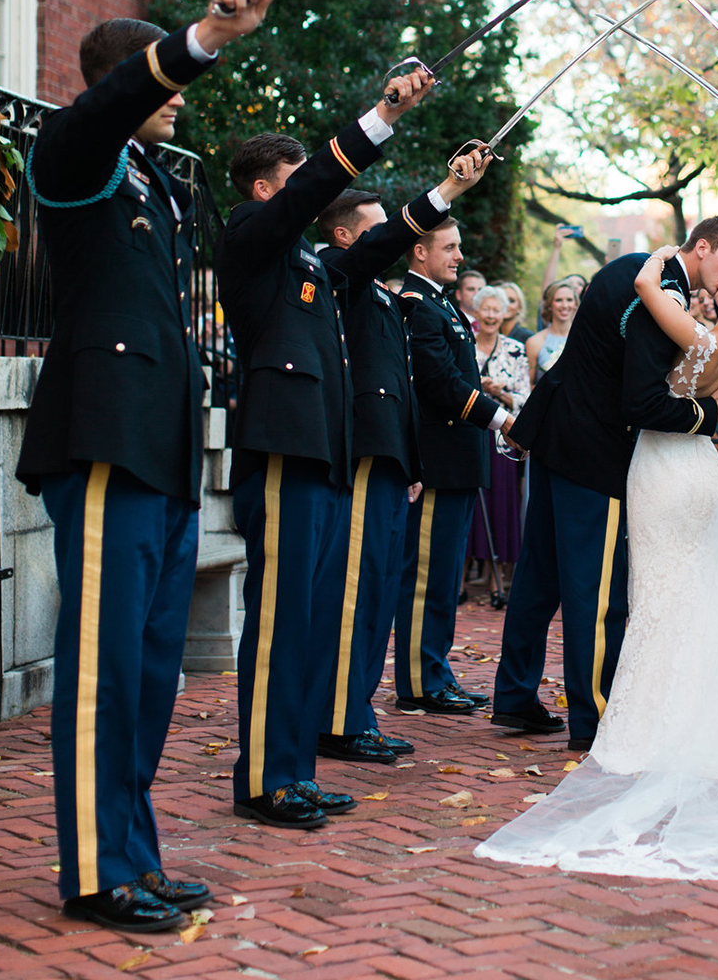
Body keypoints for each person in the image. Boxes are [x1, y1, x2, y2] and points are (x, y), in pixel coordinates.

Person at [13, 0, 277, 935]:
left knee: (153, 669)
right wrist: (205, 33)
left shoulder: (161, 182)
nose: (175, 96)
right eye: (159, 78)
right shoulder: (74, 151)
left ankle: (135, 850)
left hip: (163, 449)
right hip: (101, 444)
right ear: (117, 84)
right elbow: (111, 107)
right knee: (103, 668)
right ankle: (94, 868)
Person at [478, 258, 718, 880]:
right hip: (702, 474)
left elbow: (646, 285)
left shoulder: (696, 336)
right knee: (693, 588)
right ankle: (704, 703)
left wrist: (665, 261)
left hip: (662, 472)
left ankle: (636, 711)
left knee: (655, 590)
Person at [214, 67, 440, 832]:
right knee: (279, 619)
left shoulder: (310, 264)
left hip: (319, 455)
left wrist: (442, 196)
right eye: (294, 179)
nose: (306, 189)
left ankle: (292, 771)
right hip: (280, 450)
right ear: (265, 190)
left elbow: (374, 247)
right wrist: (379, 115)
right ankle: (262, 780)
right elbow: (316, 193)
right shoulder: (250, 237)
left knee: (304, 618)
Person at [492, 218, 718, 750]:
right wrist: (708, 412)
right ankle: (595, 718)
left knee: (538, 579)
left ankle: (515, 697)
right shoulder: (664, 295)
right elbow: (642, 402)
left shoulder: (638, 268)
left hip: (555, 436)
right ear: (702, 247)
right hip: (596, 454)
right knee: (594, 592)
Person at [312, 155, 496, 767]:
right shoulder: (340, 273)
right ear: (345, 237)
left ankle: (355, 711)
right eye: (376, 227)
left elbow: (402, 392)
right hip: (365, 456)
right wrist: (446, 189)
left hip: (395, 459)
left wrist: (411, 460)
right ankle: (340, 717)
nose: (389, 235)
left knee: (380, 588)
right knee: (358, 594)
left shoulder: (389, 298)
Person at [392, 217, 516, 714]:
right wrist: (502, 420)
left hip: (459, 459)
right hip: (439, 459)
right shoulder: (418, 305)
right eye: (450, 247)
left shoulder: (441, 303)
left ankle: (436, 671)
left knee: (445, 577)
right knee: (427, 576)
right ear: (420, 252)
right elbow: (440, 385)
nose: (459, 256)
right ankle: (420, 681)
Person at [469, 288, 530, 605]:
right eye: (486, 309)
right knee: (470, 507)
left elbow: (525, 398)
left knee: (501, 508)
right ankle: (460, 581)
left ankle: (497, 583)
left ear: (505, 313)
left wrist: (502, 394)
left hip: (501, 441)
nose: (491, 315)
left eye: (497, 310)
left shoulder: (516, 350)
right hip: (469, 436)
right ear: (476, 312)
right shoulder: (464, 342)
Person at [526, 278, 580, 385]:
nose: (565, 305)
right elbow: (528, 384)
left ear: (575, 304)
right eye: (559, 300)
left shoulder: (583, 338)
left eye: (569, 300)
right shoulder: (534, 342)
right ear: (550, 305)